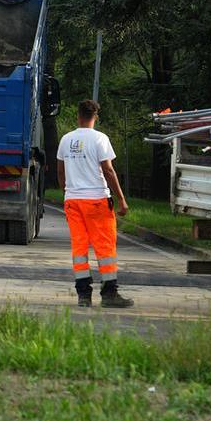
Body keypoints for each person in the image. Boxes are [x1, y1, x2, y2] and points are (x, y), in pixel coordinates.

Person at [57, 99, 132, 308]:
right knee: (105, 247)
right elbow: (108, 170)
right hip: (97, 201)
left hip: (73, 201)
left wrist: (67, 193)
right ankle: (109, 294)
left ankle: (83, 295)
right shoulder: (100, 139)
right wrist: (122, 200)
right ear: (95, 117)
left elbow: (60, 172)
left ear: (78, 116)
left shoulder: (65, 140)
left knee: (79, 248)